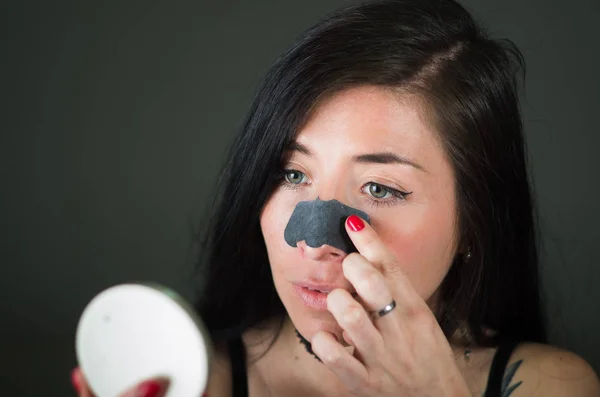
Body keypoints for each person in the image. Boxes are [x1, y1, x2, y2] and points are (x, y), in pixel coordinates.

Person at [71, 0, 600, 396]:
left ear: (473, 223)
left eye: (379, 188)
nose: (314, 238)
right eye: (292, 174)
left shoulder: (549, 384)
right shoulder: (190, 380)